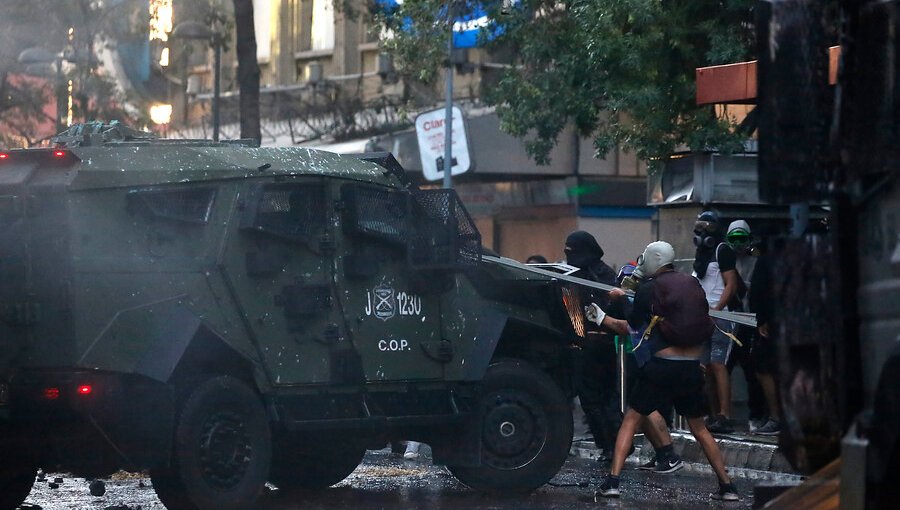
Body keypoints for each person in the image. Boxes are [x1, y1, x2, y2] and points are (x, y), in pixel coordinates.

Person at [590, 241, 740, 501]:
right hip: (691, 368)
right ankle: (728, 487)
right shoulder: (691, 284)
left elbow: (635, 324)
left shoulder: (650, 288)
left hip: (661, 366)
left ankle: (612, 481)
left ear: (655, 259)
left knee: (632, 418)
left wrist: (621, 299)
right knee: (700, 429)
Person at [564, 231, 620, 461]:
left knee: (596, 398)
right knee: (603, 398)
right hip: (595, 342)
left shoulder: (595, 275)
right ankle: (613, 445)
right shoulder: (598, 273)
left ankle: (611, 446)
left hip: (594, 343)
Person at [692, 211, 740, 434]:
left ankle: (725, 414)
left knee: (718, 365)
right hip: (703, 317)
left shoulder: (723, 250)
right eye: (699, 226)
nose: (702, 231)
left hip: (721, 317)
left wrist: (718, 309)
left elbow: (731, 284)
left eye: (707, 227)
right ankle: (712, 414)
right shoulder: (701, 254)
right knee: (706, 367)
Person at [724, 220, 767, 431]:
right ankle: (722, 414)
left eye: (742, 240)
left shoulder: (757, 261)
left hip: (752, 321)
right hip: (732, 321)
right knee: (723, 367)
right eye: (734, 240)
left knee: (754, 371)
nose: (738, 245)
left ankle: (757, 414)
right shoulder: (726, 260)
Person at [748, 245, 782, 435]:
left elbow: (758, 291)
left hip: (771, 323)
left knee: (764, 368)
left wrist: (762, 319)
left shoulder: (766, 261)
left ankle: (777, 417)